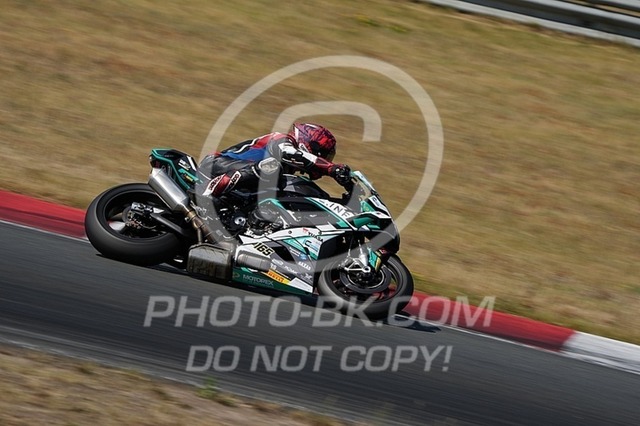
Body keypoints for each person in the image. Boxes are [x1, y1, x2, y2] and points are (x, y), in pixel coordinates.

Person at [198, 122, 352, 200]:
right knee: (272, 168)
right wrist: (330, 168)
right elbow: (289, 153)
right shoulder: (282, 139)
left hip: (242, 185)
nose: (324, 159)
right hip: (216, 165)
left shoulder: (288, 172)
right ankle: (210, 192)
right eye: (323, 154)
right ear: (309, 143)